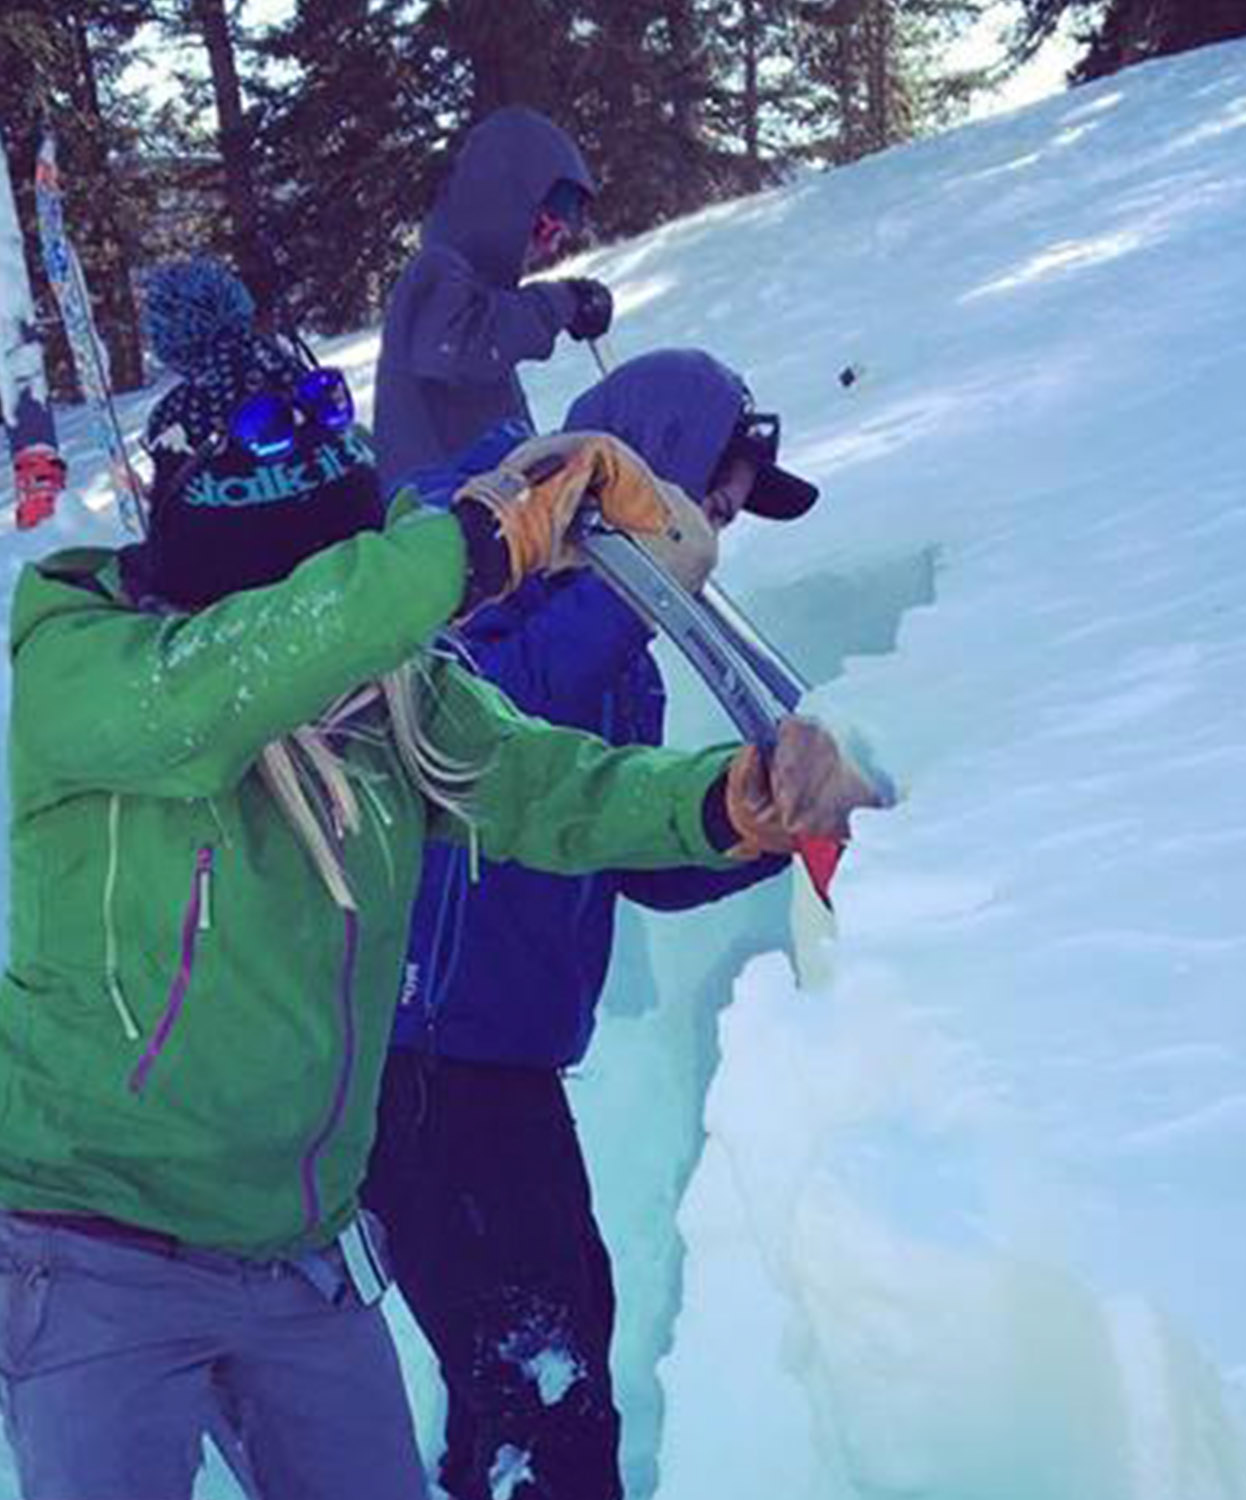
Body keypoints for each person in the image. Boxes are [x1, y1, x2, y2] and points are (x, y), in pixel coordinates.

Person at [0, 264, 880, 1500]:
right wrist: (480, 542)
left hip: (291, 1251)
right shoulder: (93, 667)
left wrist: (723, 803)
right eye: (315, 579)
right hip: (89, 1248)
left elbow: (542, 782)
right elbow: (249, 668)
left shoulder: (389, 690)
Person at [364, 348, 825, 1500]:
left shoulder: (624, 630)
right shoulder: (465, 531)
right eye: (708, 503)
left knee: (546, 1363)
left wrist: (751, 829)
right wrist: (629, 595)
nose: (715, 535)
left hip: (504, 1057)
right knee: (541, 1382)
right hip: (417, 1051)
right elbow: (481, 726)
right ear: (646, 470)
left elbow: (612, 833)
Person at [373, 106, 615, 487]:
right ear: (503, 206)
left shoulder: (481, 291)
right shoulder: (437, 268)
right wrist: (561, 302)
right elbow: (453, 351)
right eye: (544, 227)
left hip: (484, 503)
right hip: (432, 513)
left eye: (559, 236)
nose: (548, 248)